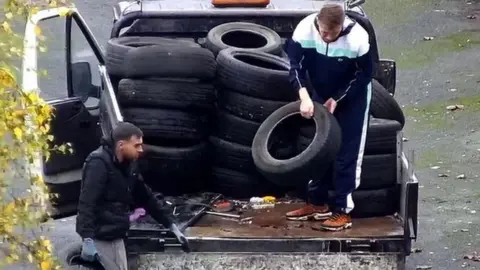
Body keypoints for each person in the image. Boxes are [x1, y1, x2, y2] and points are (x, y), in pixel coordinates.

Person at [284, 3, 373, 231]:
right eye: (323, 32)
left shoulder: (358, 39)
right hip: (319, 92)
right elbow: (295, 68)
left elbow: (365, 75)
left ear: (341, 27)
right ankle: (317, 203)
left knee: (347, 153)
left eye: (332, 34)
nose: (326, 37)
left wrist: (338, 99)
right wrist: (304, 97)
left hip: (352, 97)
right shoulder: (304, 31)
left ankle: (343, 211)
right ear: (318, 24)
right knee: (319, 149)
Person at [76, 122, 187, 269]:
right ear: (121, 145)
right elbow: (86, 203)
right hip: (99, 238)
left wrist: (171, 225)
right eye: (136, 145)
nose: (141, 150)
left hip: (118, 234)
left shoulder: (129, 165)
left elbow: (146, 197)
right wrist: (87, 239)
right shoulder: (98, 163)